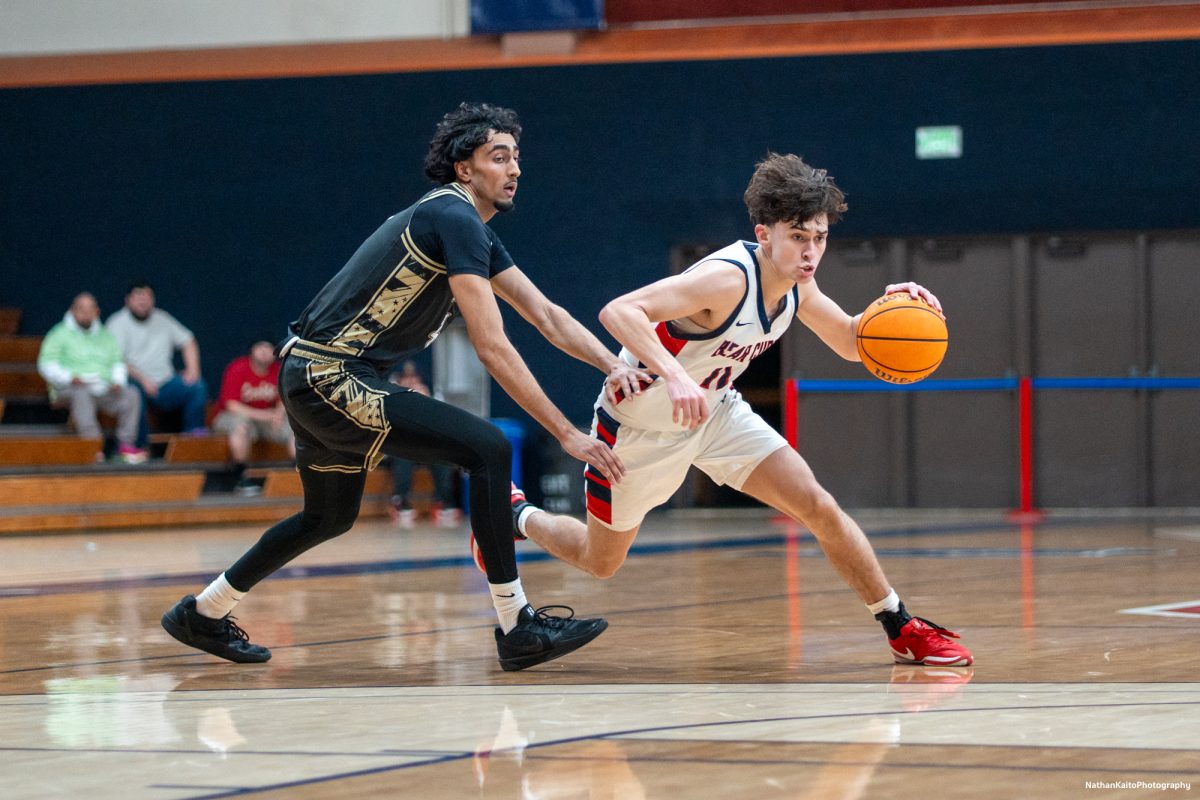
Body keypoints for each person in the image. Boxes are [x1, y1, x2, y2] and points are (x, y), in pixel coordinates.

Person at [160, 102, 647, 672]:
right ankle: (517, 625)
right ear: (464, 169)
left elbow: (546, 314)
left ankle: (204, 610)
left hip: (314, 377)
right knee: (488, 449)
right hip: (330, 375)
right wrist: (566, 432)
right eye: (498, 157)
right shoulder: (455, 216)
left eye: (517, 158)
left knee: (328, 516)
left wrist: (612, 365)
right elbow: (491, 345)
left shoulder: (471, 231)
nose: (514, 169)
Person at [504, 153, 974, 667]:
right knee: (599, 562)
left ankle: (899, 624)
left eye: (818, 236)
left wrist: (893, 313)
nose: (810, 250)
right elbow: (619, 310)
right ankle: (518, 515)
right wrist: (675, 373)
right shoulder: (726, 279)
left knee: (817, 505)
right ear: (765, 234)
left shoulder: (798, 282)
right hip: (641, 429)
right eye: (798, 236)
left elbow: (847, 340)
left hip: (716, 414)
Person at [37, 292, 147, 464]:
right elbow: (46, 364)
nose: (86, 313)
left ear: (97, 311)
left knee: (131, 393)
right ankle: (93, 447)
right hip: (69, 388)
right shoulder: (59, 334)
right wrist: (69, 378)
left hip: (102, 388)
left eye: (90, 309)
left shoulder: (106, 336)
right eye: (82, 309)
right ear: (73, 311)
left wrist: (117, 382)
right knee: (81, 392)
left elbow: (117, 363)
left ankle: (125, 446)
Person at [106, 281, 209, 439]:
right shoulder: (116, 323)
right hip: (134, 381)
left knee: (196, 386)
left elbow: (188, 341)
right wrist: (143, 380)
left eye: (147, 296)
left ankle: (193, 437)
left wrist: (193, 369)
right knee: (134, 394)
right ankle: (140, 446)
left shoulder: (162, 318)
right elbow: (115, 359)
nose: (143, 300)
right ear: (128, 300)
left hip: (165, 382)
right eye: (138, 296)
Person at [212, 339, 296, 495]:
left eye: (268, 347)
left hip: (266, 420)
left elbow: (284, 397)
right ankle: (240, 475)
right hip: (232, 416)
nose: (264, 351)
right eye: (260, 347)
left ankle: (299, 473)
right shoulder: (238, 367)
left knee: (295, 428)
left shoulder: (278, 370)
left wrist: (278, 414)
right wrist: (266, 416)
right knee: (240, 426)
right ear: (251, 351)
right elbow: (232, 405)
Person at [386, 361, 460, 527]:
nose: (411, 381)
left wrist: (426, 403)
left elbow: (441, 425)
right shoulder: (390, 394)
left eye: (414, 377)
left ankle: (443, 501)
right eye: (406, 378)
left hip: (424, 444)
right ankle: (400, 502)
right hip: (396, 445)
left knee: (442, 453)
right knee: (403, 454)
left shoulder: (429, 394)